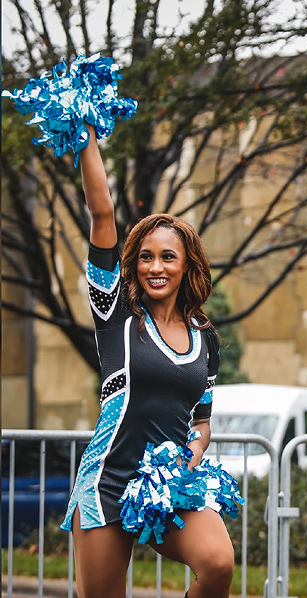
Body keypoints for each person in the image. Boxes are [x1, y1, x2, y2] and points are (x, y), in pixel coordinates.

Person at [60, 126, 235, 598]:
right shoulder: (115, 315)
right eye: (145, 257)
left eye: (168, 257)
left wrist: (187, 459)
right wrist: (87, 136)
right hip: (109, 482)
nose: (155, 267)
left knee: (218, 564)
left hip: (170, 486)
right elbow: (102, 213)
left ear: (186, 265)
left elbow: (201, 422)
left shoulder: (206, 340)